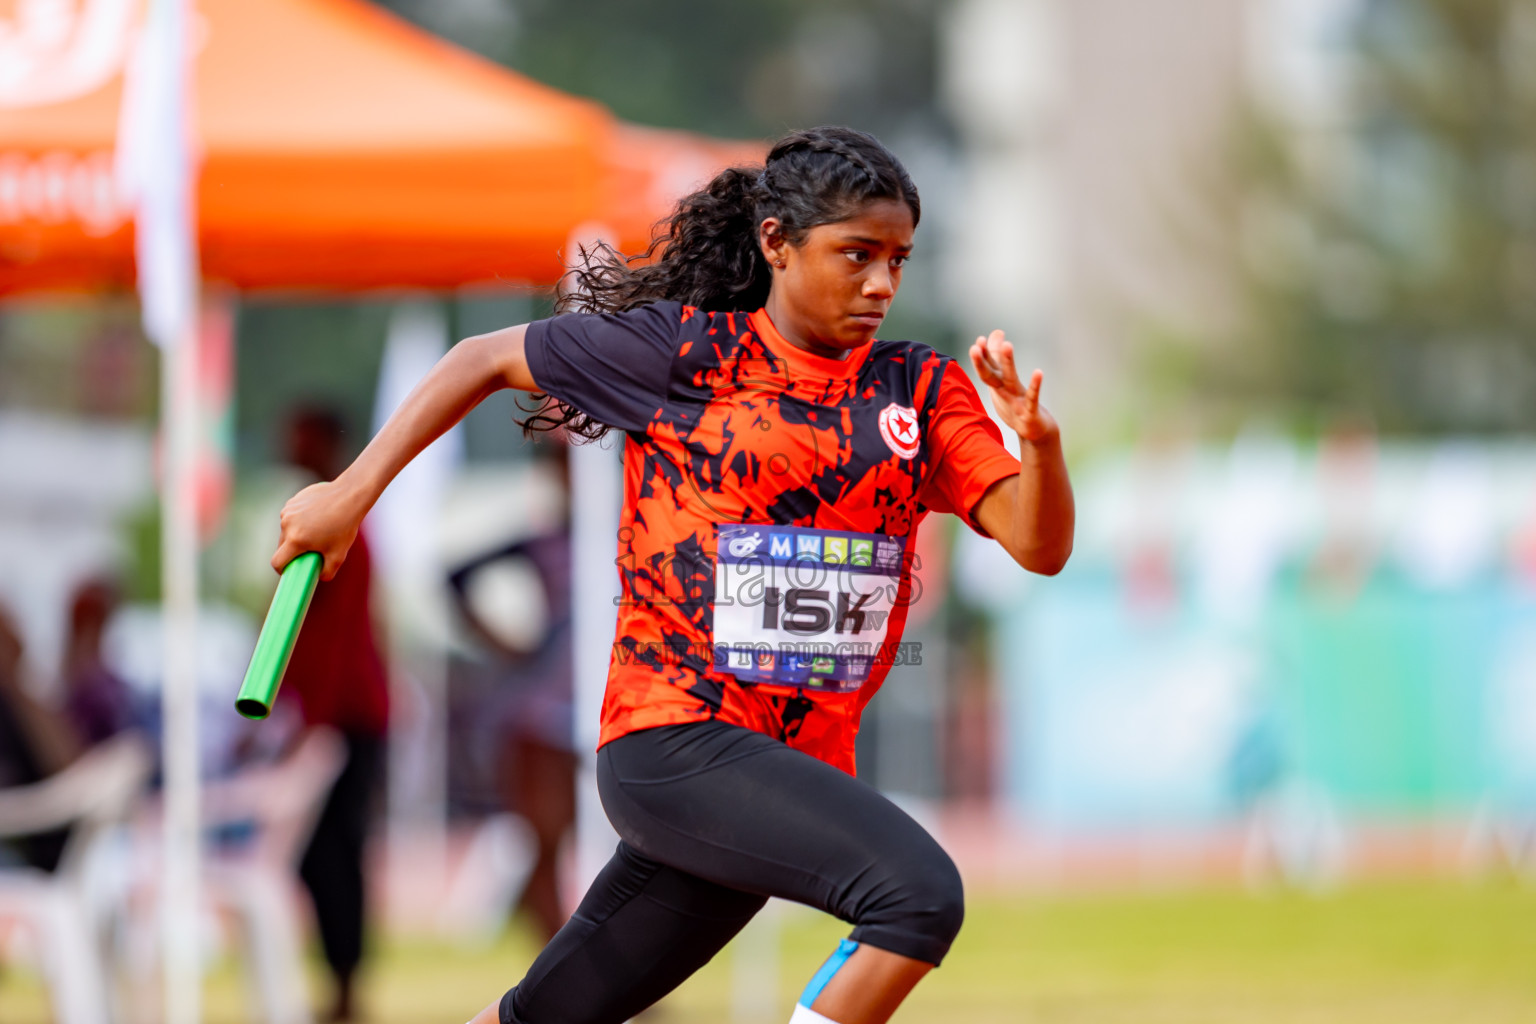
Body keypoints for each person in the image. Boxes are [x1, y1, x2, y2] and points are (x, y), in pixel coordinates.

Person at [272, 126, 1074, 1024]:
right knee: (915, 893)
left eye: (898, 259)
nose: (883, 284)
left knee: (544, 1016)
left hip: (781, 769)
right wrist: (350, 493)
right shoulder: (688, 352)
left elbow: (1038, 546)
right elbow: (482, 359)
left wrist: (1037, 445)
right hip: (674, 741)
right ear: (776, 242)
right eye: (857, 255)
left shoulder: (917, 388)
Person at [277, 406, 391, 1022]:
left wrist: (310, 724)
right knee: (320, 852)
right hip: (328, 716)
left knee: (335, 852)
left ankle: (346, 987)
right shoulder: (327, 523)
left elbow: (339, 638)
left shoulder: (342, 528)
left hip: (345, 719)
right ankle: (340, 982)